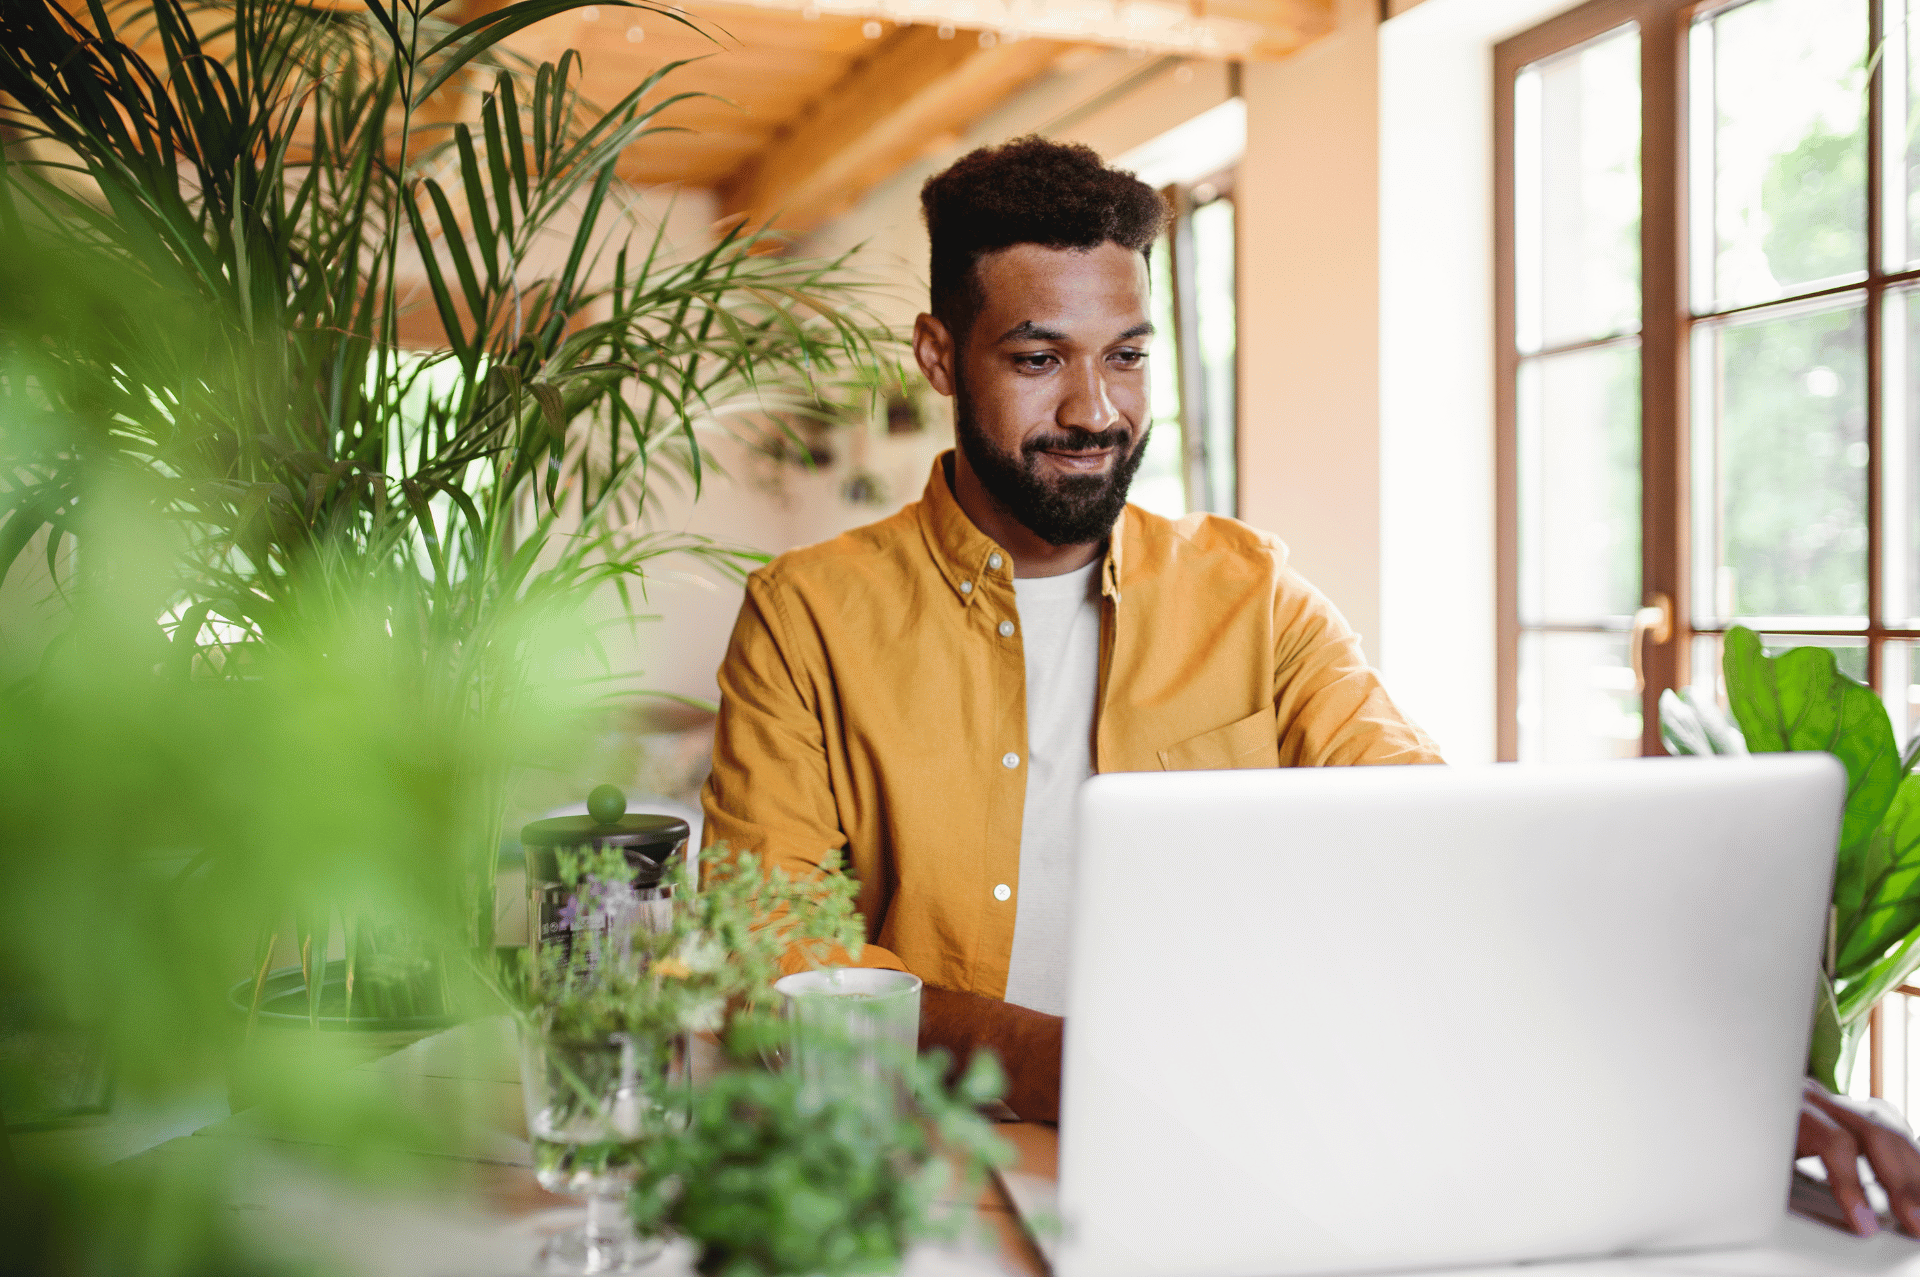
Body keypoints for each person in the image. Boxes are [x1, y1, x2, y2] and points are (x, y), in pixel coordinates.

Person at [701, 136, 1920, 1238]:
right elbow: (777, 965)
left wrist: (1715, 1073)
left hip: (1257, 1164)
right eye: (1038, 358)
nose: (1096, 409)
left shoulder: (1252, 592)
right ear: (938, 353)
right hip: (935, 1178)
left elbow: (1437, 852)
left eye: (1127, 356)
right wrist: (1089, 1064)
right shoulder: (807, 615)